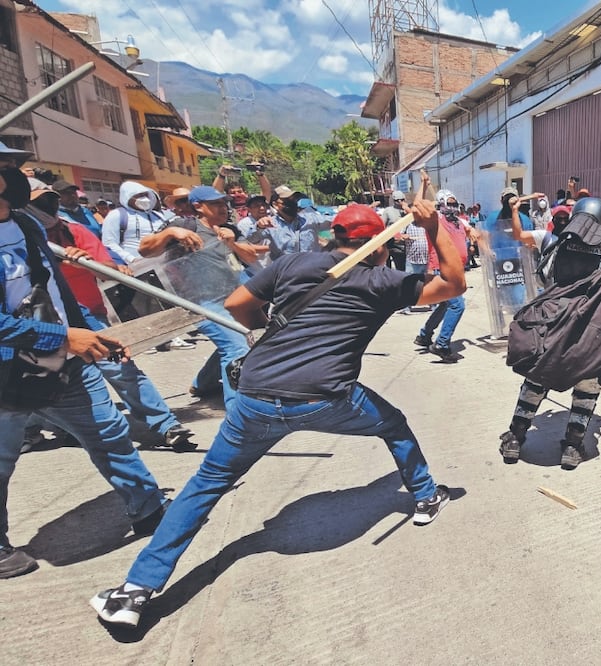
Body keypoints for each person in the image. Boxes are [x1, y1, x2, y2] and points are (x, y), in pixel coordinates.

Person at [90, 193, 464, 627]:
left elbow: (235, 306)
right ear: (380, 246)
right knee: (393, 425)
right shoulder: (383, 281)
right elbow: (453, 285)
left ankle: (133, 592)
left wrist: (264, 329)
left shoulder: (293, 264)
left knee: (206, 483)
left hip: (255, 398)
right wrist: (434, 226)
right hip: (326, 398)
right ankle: (425, 496)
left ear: (333, 236)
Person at [0, 164, 169, 580]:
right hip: (6, 373)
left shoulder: (25, 223)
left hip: (64, 359)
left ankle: (148, 509)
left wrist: (93, 335)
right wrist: (62, 337)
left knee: (108, 431)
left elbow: (54, 290)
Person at [21, 182, 195, 451]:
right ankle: (33, 429)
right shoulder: (16, 236)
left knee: (120, 366)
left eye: (50, 200)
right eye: (39, 202)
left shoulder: (72, 230)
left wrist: (84, 260)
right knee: (37, 374)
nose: (48, 207)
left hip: (85, 313)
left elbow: (108, 270)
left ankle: (165, 424)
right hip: (40, 316)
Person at [498, 197, 601, 470]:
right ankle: (572, 446)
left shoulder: (554, 246)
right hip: (592, 337)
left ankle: (515, 439)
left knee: (536, 380)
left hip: (551, 329)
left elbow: (544, 278)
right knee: (586, 390)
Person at [136, 186, 262, 409]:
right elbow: (145, 249)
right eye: (216, 204)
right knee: (236, 348)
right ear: (198, 207)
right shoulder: (184, 225)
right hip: (199, 302)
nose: (223, 208)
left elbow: (251, 257)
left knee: (236, 340)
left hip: (231, 299)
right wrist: (169, 234)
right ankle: (239, 412)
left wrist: (232, 243)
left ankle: (203, 383)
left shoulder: (229, 229)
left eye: (224, 203)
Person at [413, 187, 473, 360]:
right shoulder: (437, 220)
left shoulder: (459, 222)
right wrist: (424, 185)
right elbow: (418, 207)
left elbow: (470, 231)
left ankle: (424, 335)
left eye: (455, 204)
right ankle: (442, 343)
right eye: (450, 204)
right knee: (457, 305)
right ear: (441, 204)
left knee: (445, 304)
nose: (453, 207)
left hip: (457, 270)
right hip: (441, 269)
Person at [100, 182, 168, 267]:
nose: (144, 198)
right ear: (127, 197)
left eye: (145, 195)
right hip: (137, 267)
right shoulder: (117, 215)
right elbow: (109, 243)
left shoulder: (157, 215)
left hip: (165, 263)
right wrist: (131, 259)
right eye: (139, 196)